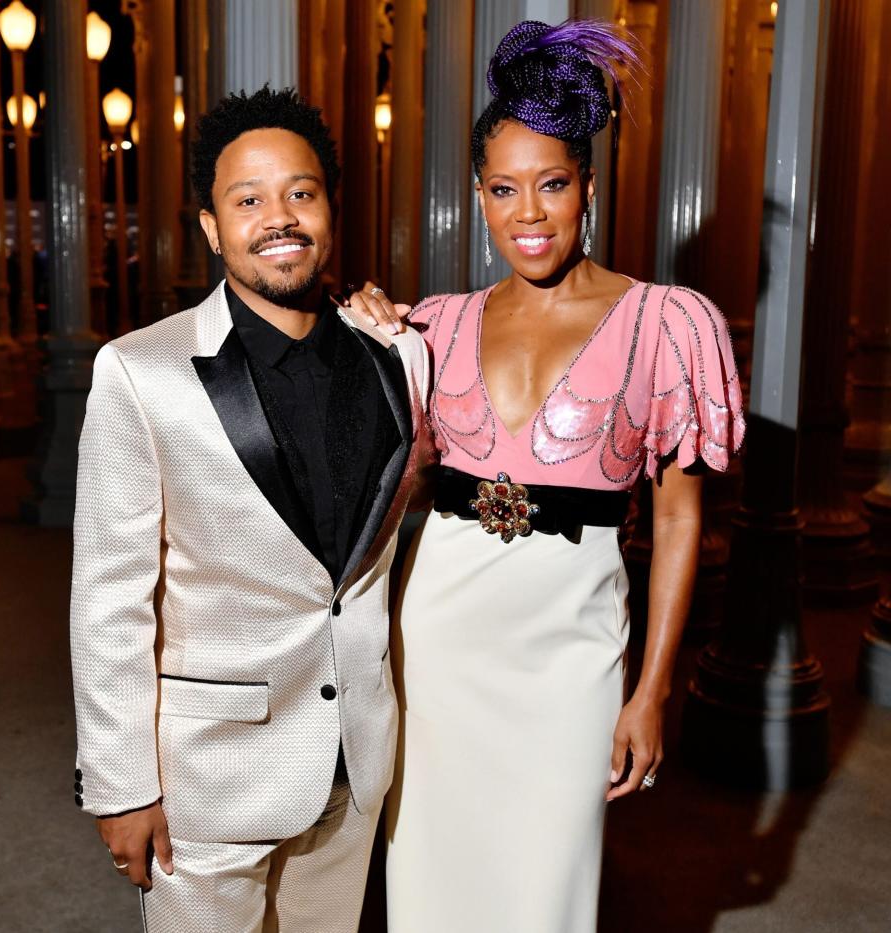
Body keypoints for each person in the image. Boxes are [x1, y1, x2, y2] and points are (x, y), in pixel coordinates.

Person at [350, 19, 746, 933]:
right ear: (479, 197)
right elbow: (393, 488)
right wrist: (368, 342)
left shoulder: (667, 325)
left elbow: (680, 521)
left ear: (590, 187)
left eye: (553, 185)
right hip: (441, 643)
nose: (528, 214)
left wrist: (650, 692)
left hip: (571, 653)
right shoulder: (436, 327)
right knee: (431, 893)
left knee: (547, 898)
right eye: (503, 189)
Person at [70, 86, 430, 933]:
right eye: (249, 199)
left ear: (331, 208)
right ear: (210, 225)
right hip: (208, 780)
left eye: (301, 193)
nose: (279, 217)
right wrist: (121, 785)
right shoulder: (139, 371)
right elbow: (109, 600)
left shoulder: (396, 355)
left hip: (353, 763)